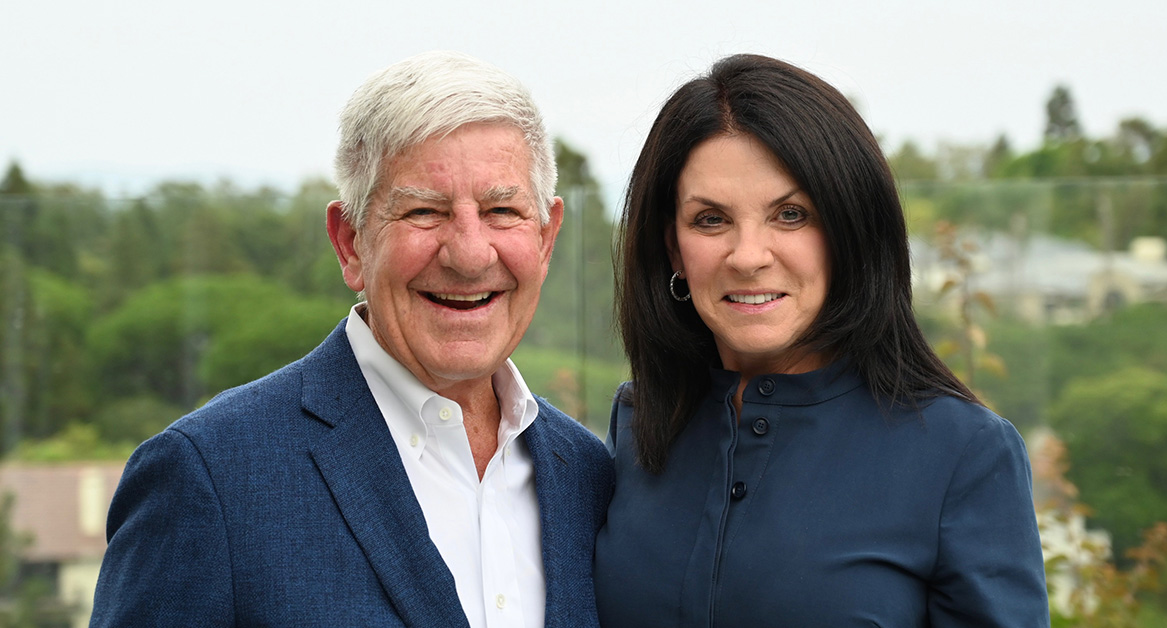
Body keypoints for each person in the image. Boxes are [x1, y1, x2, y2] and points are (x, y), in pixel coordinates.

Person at [91, 51, 613, 627]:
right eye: (424, 211)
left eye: (501, 210)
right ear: (350, 242)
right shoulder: (210, 476)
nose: (469, 255)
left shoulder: (587, 475)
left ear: (545, 239)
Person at [594, 54, 1049, 627]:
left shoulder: (964, 454)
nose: (748, 257)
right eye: (711, 219)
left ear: (849, 230)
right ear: (673, 248)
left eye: (791, 215)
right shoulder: (638, 422)